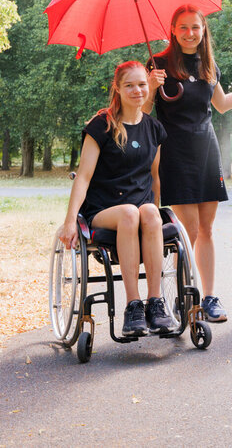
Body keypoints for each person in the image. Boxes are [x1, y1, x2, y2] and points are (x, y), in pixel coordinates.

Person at [58, 61, 174, 337]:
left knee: (148, 213)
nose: (137, 90)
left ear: (150, 87)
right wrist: (69, 221)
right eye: (129, 85)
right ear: (117, 89)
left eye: (142, 84)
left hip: (140, 207)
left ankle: (155, 302)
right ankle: (133, 306)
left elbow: (155, 177)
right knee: (129, 213)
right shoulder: (102, 126)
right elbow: (83, 177)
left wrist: (154, 217)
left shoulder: (154, 128)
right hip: (104, 209)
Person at [144, 5, 232, 322]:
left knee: (207, 229)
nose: (189, 33)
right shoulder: (157, 64)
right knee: (189, 231)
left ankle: (210, 298)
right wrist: (150, 87)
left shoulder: (209, 65)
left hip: (206, 150)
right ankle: (187, 295)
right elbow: (143, 115)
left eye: (195, 28)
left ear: (203, 31)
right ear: (172, 29)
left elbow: (223, 104)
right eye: (183, 27)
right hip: (174, 151)